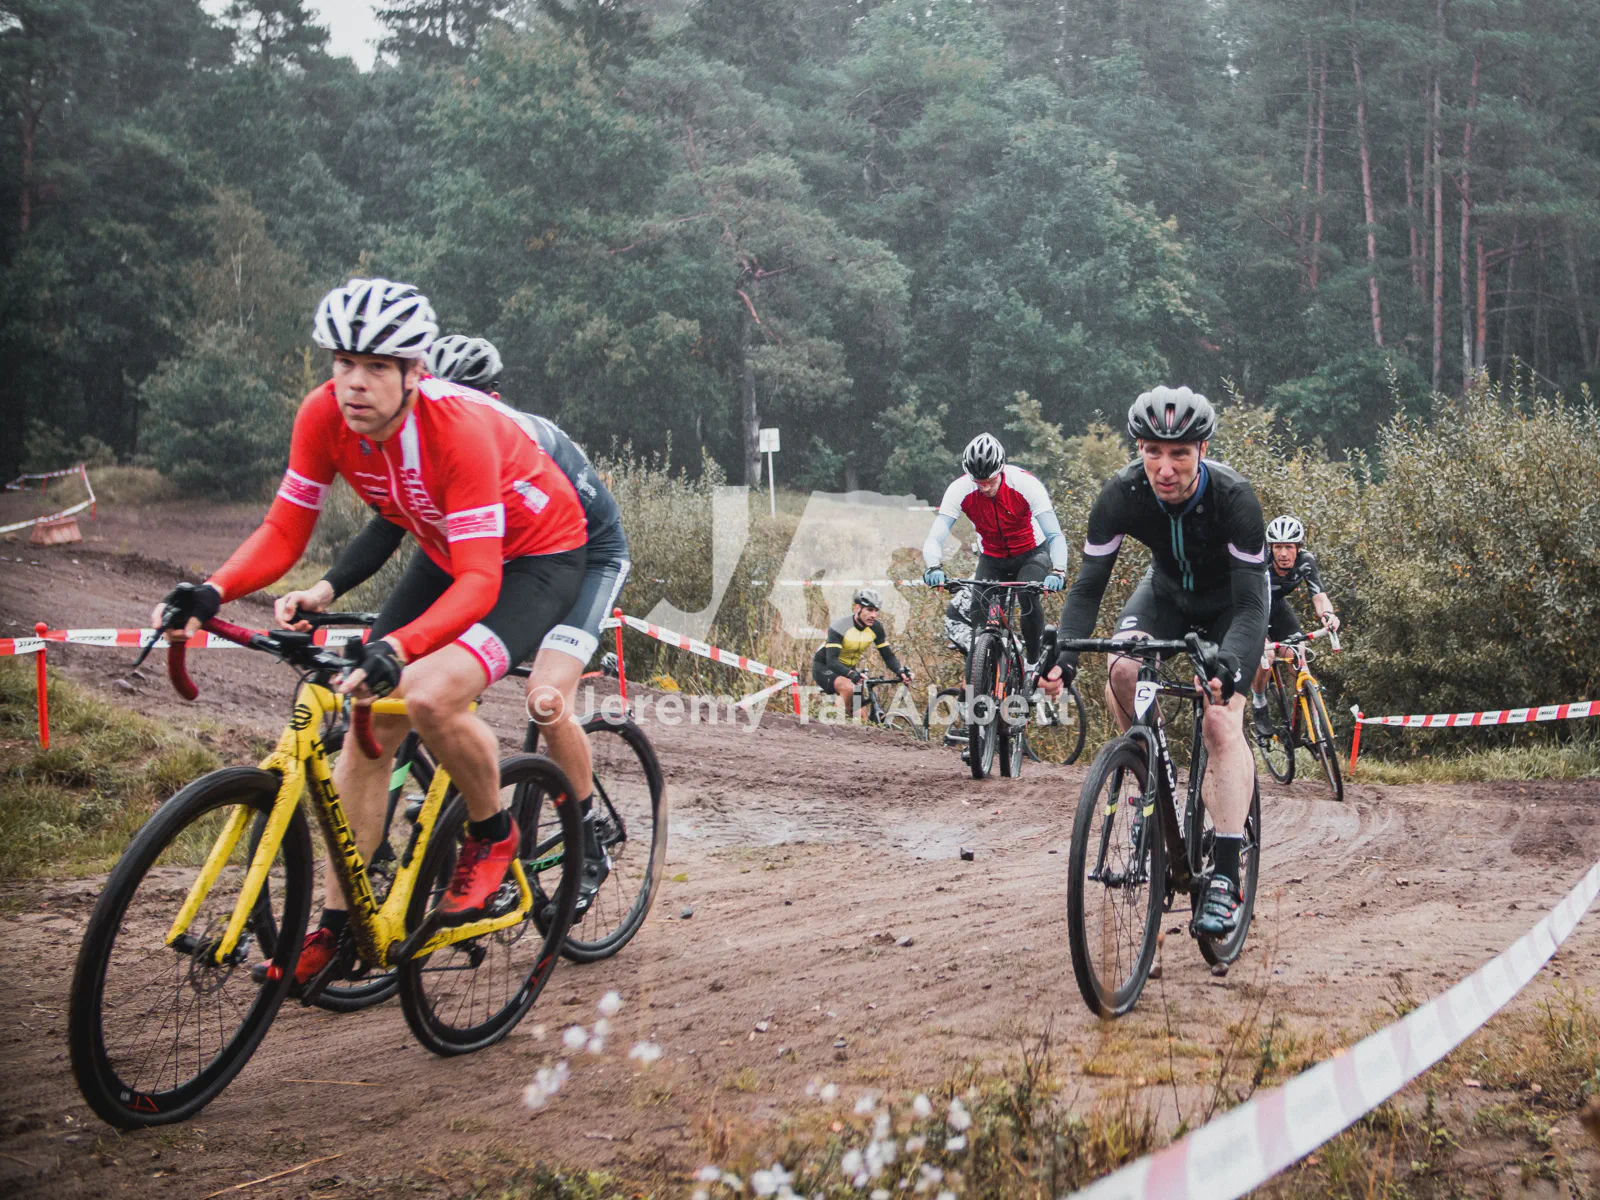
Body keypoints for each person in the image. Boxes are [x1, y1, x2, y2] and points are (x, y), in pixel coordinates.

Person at [151, 278, 589, 989]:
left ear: (415, 372)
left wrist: (401, 648)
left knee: (428, 697)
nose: (355, 382)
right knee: (369, 717)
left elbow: (481, 581)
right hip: (447, 549)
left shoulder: (457, 429)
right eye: (344, 362)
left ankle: (491, 833)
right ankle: (340, 927)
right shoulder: (323, 414)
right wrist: (211, 589)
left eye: (377, 367)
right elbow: (284, 530)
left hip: (537, 560)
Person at [298, 333, 630, 916]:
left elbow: (537, 553)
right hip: (478, 547)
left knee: (545, 697)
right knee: (390, 686)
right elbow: (390, 523)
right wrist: (328, 587)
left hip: (579, 552)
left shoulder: (508, 434)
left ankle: (586, 834)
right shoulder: (419, 433)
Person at [1039, 386, 1267, 937]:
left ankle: (1225, 875)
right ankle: (1149, 778)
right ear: (1138, 449)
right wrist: (1063, 657)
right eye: (1152, 452)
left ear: (1202, 450)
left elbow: (1251, 605)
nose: (1165, 469)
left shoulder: (1235, 499)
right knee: (1120, 669)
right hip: (1164, 597)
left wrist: (1229, 666)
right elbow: (1088, 588)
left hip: (1232, 610)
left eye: (1179, 454)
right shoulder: (1122, 494)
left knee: (1219, 721)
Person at [921, 433, 1069, 674]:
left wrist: (1059, 570)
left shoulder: (1025, 484)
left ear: (1001, 469)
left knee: (1027, 596)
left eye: (990, 480)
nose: (985, 487)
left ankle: (1032, 664)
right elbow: (935, 537)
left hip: (1031, 553)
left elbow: (1055, 536)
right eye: (979, 482)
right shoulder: (960, 489)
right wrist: (933, 566)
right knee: (978, 627)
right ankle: (979, 688)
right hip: (992, 558)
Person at [1251, 515, 1340, 738]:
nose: (1283, 553)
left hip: (1278, 608)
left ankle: (1312, 722)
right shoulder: (1259, 563)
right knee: (1266, 659)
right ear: (1270, 548)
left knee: (1298, 655)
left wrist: (1328, 615)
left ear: (1298, 548)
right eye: (1278, 547)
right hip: (1253, 609)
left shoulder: (1306, 561)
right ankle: (1259, 701)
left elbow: (1319, 596)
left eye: (1289, 547)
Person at [811, 587, 913, 715]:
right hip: (825, 668)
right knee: (849, 688)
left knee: (862, 716)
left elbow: (888, 656)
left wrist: (899, 671)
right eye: (869, 610)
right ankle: (834, 723)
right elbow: (832, 661)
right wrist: (851, 674)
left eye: (876, 611)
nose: (873, 615)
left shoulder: (876, 628)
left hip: (848, 671)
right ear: (857, 608)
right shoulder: (840, 627)